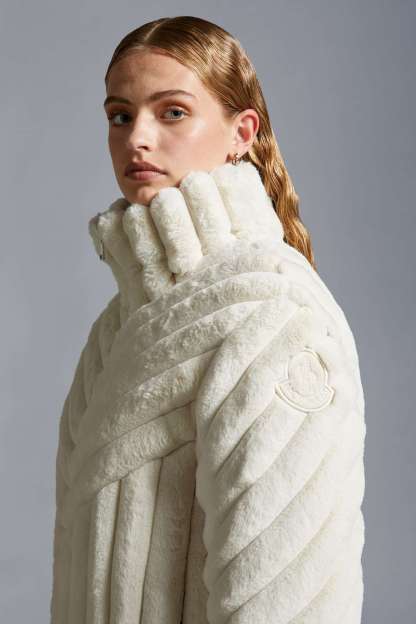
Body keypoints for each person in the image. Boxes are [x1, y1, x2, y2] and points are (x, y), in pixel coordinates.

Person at [50, 16, 366, 624]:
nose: (137, 138)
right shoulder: (117, 327)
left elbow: (286, 597)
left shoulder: (274, 316)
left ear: (241, 132)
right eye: (120, 116)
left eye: (172, 112)